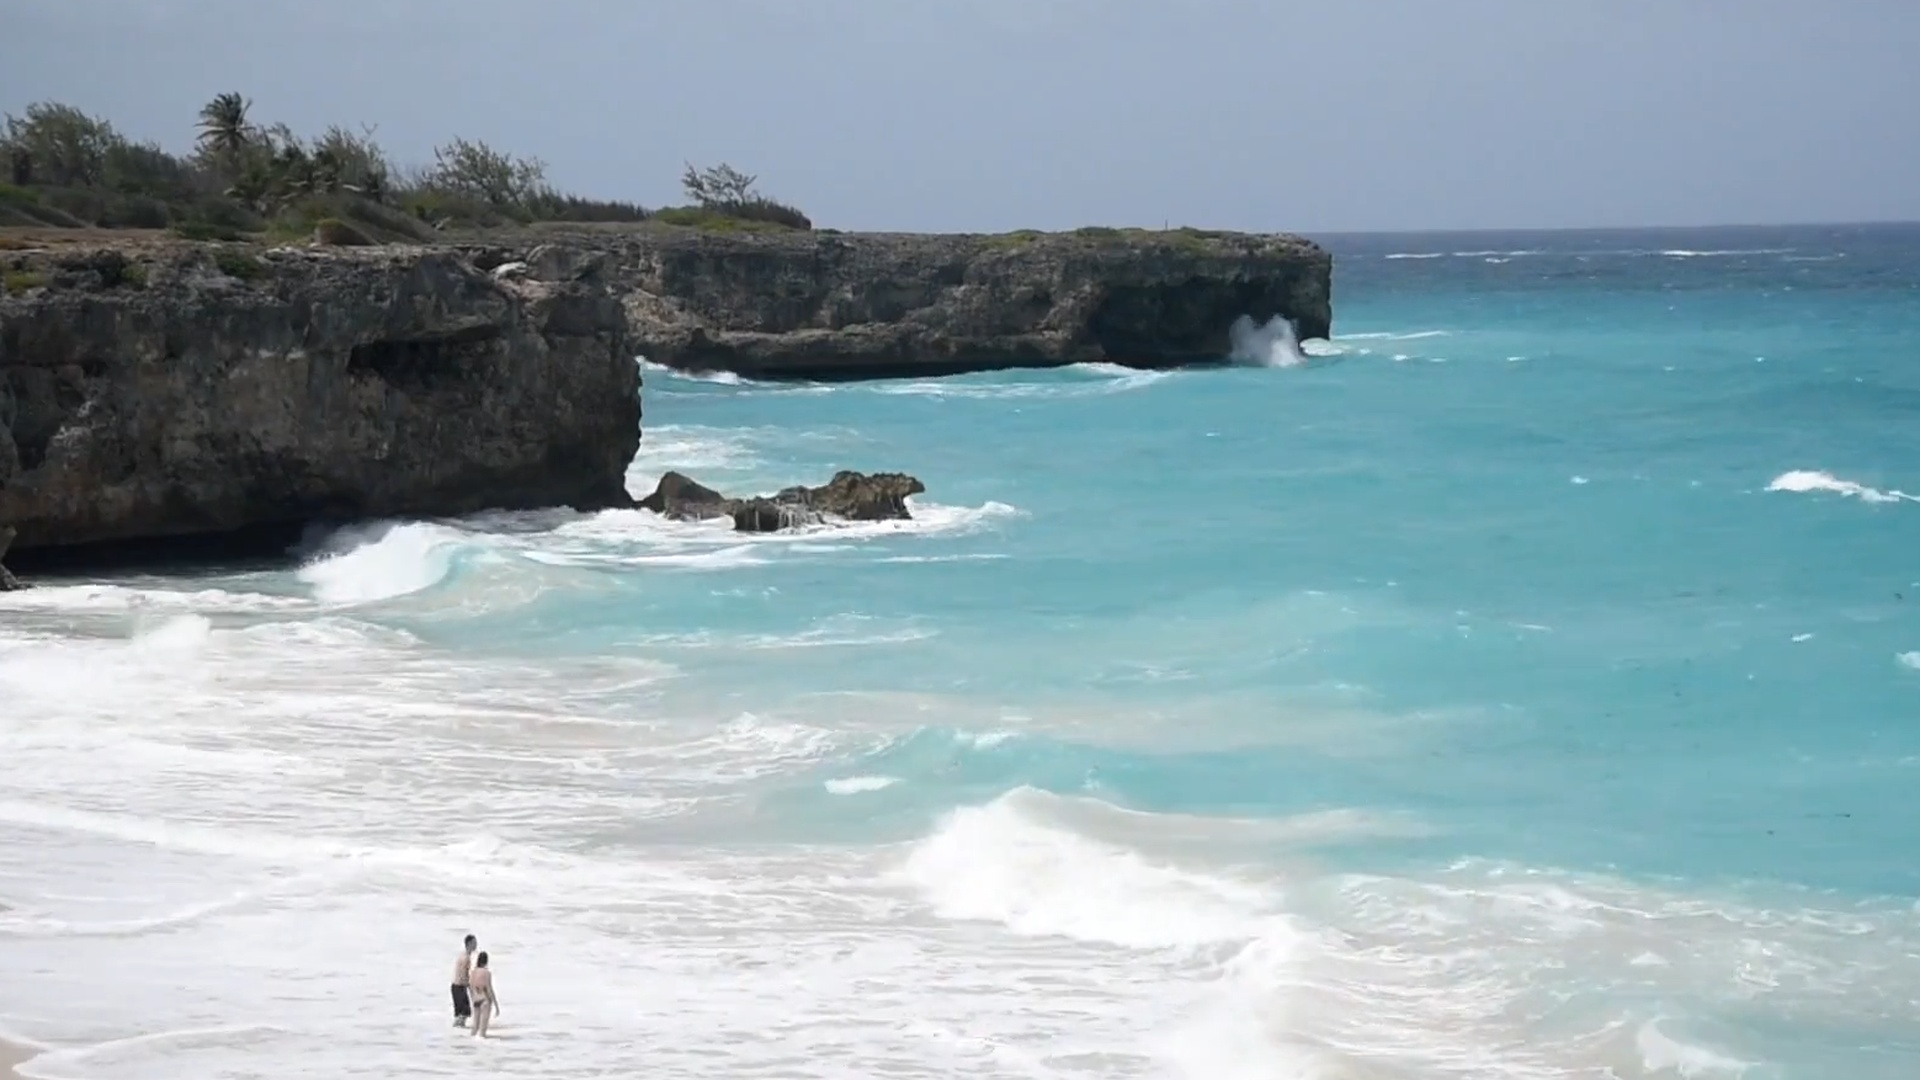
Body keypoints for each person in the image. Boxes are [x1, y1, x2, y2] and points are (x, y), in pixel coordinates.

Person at [469, 951, 500, 1038]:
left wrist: (473, 999)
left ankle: (469, 1046)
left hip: (476, 1000)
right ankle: (482, 1049)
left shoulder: (473, 972)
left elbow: (471, 987)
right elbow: (489, 989)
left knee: (474, 1028)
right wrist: (496, 1005)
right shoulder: (486, 973)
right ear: (486, 961)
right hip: (484, 1000)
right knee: (482, 1032)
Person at [451, 934, 477, 1027]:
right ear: (469, 944)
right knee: (464, 1012)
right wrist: (470, 988)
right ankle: (457, 1030)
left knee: (461, 1013)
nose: (476, 945)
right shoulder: (466, 958)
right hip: (459, 986)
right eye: (474, 943)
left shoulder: (464, 955)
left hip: (457, 986)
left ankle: (458, 1034)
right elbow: (463, 975)